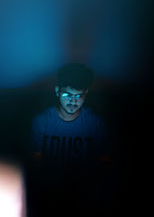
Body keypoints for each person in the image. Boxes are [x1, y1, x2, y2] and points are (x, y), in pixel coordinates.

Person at [30, 63, 111, 216]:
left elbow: (104, 162)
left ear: (85, 94)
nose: (73, 102)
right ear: (57, 92)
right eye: (67, 95)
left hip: (84, 189)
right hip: (50, 189)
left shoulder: (95, 123)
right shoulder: (41, 122)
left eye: (78, 96)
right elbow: (36, 161)